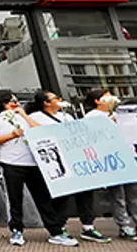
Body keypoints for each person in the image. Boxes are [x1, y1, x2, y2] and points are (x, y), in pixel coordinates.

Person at [0, 91, 78, 247]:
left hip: (34, 163)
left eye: (16, 100)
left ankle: (55, 231)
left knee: (43, 198)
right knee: (15, 198)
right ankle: (17, 230)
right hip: (12, 162)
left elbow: (41, 131)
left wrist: (24, 116)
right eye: (9, 101)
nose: (14, 103)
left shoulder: (26, 116)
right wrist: (12, 135)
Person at [27, 90, 111, 243]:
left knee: (85, 191)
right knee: (62, 194)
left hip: (75, 158)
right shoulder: (35, 117)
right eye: (55, 98)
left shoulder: (67, 116)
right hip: (56, 161)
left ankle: (88, 226)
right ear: (46, 103)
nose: (59, 99)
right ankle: (59, 226)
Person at [83, 88, 137, 241]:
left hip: (129, 155)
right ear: (97, 101)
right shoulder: (92, 116)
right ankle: (125, 225)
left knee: (133, 193)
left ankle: (134, 221)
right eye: (106, 96)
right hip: (111, 159)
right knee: (118, 195)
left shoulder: (121, 113)